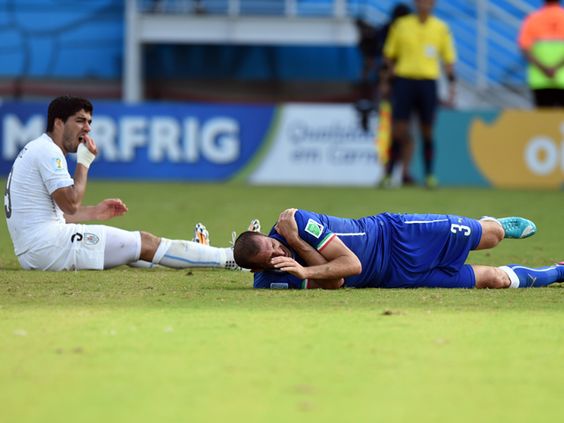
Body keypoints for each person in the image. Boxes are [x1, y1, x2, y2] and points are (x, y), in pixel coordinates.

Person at [3, 95, 239, 271]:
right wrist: (84, 161)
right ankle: (231, 257)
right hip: (48, 248)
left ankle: (199, 253)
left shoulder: (39, 148)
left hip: (37, 249)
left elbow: (55, 213)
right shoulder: (48, 152)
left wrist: (95, 212)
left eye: (89, 122)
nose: (88, 128)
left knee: (131, 252)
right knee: (144, 242)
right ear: (58, 123)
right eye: (80, 121)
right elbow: (71, 204)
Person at [233, 208, 564, 290]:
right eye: (272, 258)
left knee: (491, 238)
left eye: (275, 244)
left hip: (397, 234)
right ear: (260, 269)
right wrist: (304, 264)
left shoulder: (296, 221)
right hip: (395, 276)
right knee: (494, 279)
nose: (280, 252)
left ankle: (497, 224)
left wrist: (297, 244)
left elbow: (349, 264)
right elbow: (336, 281)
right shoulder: (271, 281)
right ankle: (560, 271)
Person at [379, 0, 456, 188]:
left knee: (427, 131)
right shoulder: (401, 25)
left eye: (429, 1)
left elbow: (448, 60)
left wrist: (452, 85)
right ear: (415, 3)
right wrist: (388, 79)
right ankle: (389, 175)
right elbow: (389, 55)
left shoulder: (441, 28)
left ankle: (429, 175)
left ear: (434, 4)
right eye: (421, 1)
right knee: (398, 130)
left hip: (428, 83)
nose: (425, 4)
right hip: (404, 81)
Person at [354, 4, 411, 131]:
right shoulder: (387, 30)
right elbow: (382, 55)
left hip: (404, 75)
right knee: (382, 94)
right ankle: (373, 114)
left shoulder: (408, 32)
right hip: (389, 73)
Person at [518, 0, 564, 108]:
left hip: (540, 78)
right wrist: (556, 68)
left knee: (544, 122)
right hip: (562, 77)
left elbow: (524, 49)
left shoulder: (533, 19)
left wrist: (544, 69)